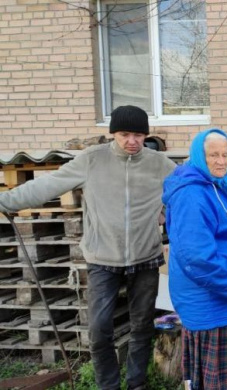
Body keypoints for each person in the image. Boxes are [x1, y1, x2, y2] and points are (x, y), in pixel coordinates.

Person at [0, 106, 176, 390]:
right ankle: (108, 386)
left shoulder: (160, 164)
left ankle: (137, 384)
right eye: (124, 134)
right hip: (102, 259)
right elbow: (47, 185)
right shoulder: (92, 161)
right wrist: (5, 202)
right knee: (98, 330)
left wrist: (168, 210)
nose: (132, 141)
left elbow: (188, 191)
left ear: (146, 135)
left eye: (138, 135)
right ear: (113, 134)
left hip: (145, 258)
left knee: (142, 327)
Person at [163, 129, 227, 390]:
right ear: (199, 156)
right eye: (213, 155)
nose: (221, 161)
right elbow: (197, 257)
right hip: (214, 302)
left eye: (225, 154)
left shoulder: (218, 186)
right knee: (217, 383)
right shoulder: (192, 195)